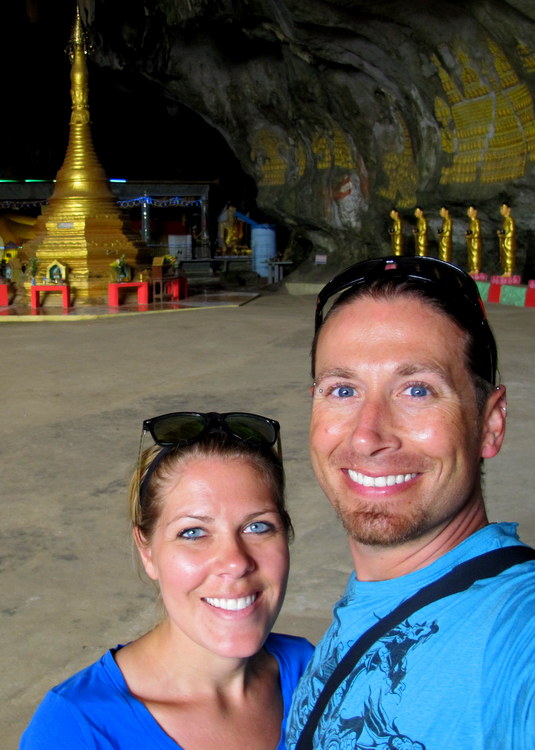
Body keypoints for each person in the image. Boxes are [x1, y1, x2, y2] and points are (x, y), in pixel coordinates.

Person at [287, 256, 535, 749]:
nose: (368, 435)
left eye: (417, 389)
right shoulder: (365, 606)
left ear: (491, 422)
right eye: (342, 389)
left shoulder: (515, 630)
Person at [21, 411, 314, 749]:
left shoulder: (311, 670)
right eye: (193, 532)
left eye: (258, 526)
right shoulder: (74, 730)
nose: (235, 562)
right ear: (147, 551)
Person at [497, 202, 516, 276]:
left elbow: (511, 232)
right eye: (501, 208)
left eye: (503, 208)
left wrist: (503, 235)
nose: (502, 210)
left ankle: (509, 271)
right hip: (505, 242)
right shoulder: (505, 220)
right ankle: (506, 271)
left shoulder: (510, 220)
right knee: (504, 256)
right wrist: (501, 233)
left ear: (509, 209)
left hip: (509, 242)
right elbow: (504, 231)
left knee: (509, 256)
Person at [465, 204, 482, 273]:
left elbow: (477, 233)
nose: (469, 212)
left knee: (475, 255)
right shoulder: (471, 222)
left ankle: (476, 269)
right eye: (468, 211)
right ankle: (472, 269)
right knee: (471, 255)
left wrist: (471, 235)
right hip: (471, 241)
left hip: (475, 242)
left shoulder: (476, 222)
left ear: (475, 212)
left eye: (470, 211)